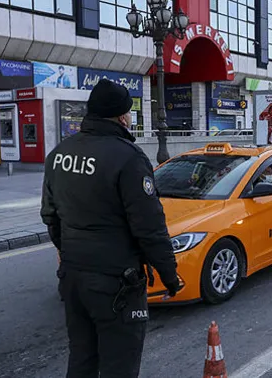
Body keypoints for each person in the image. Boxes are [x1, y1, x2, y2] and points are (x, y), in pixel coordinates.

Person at [41, 79, 181, 378]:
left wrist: (71, 254)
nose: (130, 119)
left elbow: (51, 218)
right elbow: (149, 227)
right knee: (120, 365)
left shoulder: (59, 154)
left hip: (73, 277)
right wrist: (169, 275)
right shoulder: (128, 158)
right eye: (129, 113)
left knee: (82, 358)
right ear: (121, 117)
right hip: (116, 282)